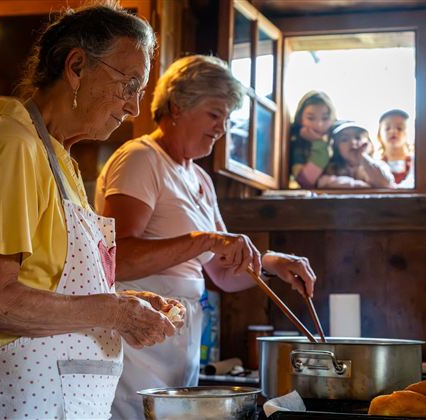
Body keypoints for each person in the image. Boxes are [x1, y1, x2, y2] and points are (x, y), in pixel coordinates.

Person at [0, 4, 184, 419]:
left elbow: (48, 286)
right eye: (129, 85)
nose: (133, 108)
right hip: (10, 397)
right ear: (76, 66)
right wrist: (115, 311)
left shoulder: (61, 160)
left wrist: (120, 301)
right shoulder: (12, 144)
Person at [94, 55, 318, 419]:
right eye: (215, 115)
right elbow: (119, 257)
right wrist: (206, 240)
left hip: (180, 336)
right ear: (179, 105)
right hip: (135, 336)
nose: (222, 128)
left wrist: (274, 263)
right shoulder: (140, 159)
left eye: (227, 119)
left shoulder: (200, 179)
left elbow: (222, 273)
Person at [317, 121, 395, 189]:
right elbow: (322, 182)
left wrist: (363, 157)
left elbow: (385, 183)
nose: (353, 142)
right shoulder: (332, 168)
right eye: (344, 139)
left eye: (358, 138)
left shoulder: (379, 165)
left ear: (368, 144)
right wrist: (355, 185)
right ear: (336, 147)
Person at [288, 90, 338, 189]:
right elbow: (305, 181)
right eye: (311, 118)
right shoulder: (296, 145)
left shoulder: (339, 141)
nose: (319, 125)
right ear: (300, 119)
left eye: (325, 118)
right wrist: (319, 144)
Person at [376, 109, 414, 186]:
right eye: (387, 128)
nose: (393, 131)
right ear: (379, 135)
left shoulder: (417, 163)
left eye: (399, 128)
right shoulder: (376, 165)